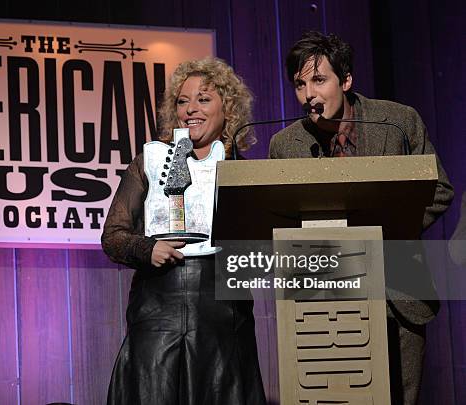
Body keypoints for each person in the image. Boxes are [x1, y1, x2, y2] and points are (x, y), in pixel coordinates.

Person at [268, 31, 454, 404]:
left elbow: (439, 190)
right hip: (324, 301)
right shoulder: (285, 145)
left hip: (399, 293)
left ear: (347, 80)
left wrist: (382, 233)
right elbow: (280, 219)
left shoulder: (398, 122)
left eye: (319, 80)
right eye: (300, 84)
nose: (309, 95)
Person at [101, 57, 266, 405]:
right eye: (182, 100)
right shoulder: (149, 160)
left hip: (223, 314)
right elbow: (112, 236)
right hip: (157, 309)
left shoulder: (243, 171)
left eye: (204, 99)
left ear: (228, 108)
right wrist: (148, 249)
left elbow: (260, 249)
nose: (191, 109)